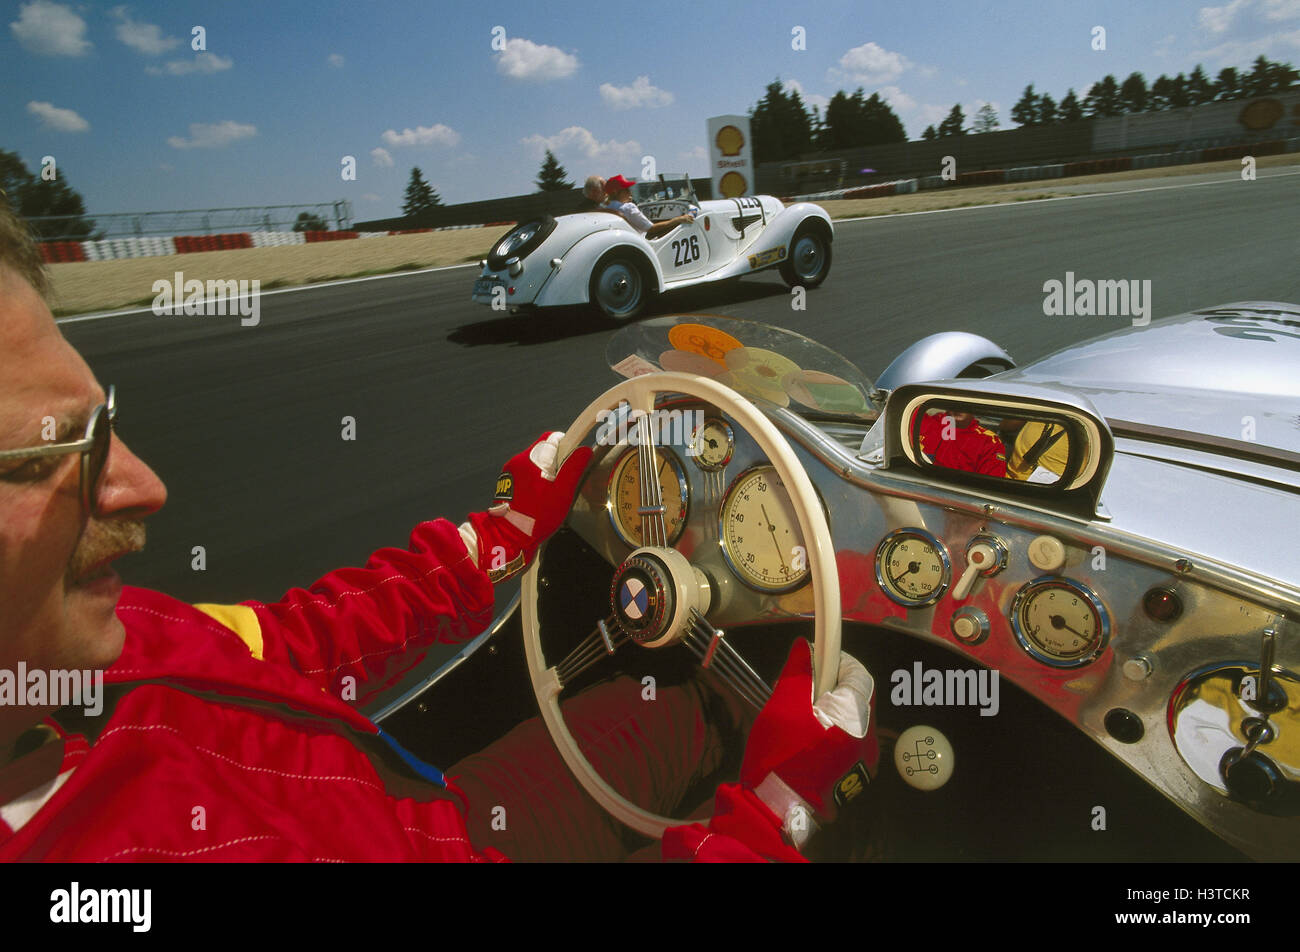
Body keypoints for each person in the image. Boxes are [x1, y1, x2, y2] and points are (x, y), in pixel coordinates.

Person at [0, 203, 875, 861]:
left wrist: (493, 539)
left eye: (103, 426)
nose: (144, 488)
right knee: (718, 701)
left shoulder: (106, 637)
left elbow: (293, 644)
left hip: (418, 813)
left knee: (665, 710)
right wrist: (777, 814)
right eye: (45, 459)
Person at [918, 409, 1007, 477]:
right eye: (956, 396)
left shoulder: (989, 442)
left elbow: (990, 488)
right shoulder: (924, 421)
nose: (960, 407)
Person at [604, 174, 695, 240]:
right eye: (626, 189)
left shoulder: (606, 209)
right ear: (616, 192)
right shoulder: (628, 208)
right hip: (642, 242)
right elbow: (651, 229)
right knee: (675, 226)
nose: (630, 192)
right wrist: (678, 219)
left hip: (624, 240)